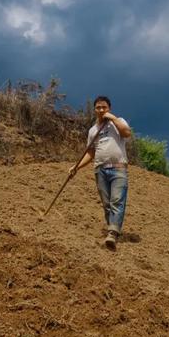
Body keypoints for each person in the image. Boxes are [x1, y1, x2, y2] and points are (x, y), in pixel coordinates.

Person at [68, 95, 132, 251]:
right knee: (107, 204)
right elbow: (90, 153)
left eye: (104, 107)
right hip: (100, 169)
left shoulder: (118, 122)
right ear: (94, 110)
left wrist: (113, 118)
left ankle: (112, 234)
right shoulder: (93, 131)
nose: (101, 110)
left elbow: (126, 133)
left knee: (117, 200)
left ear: (109, 109)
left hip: (118, 168)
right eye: (98, 107)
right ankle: (113, 228)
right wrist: (76, 167)